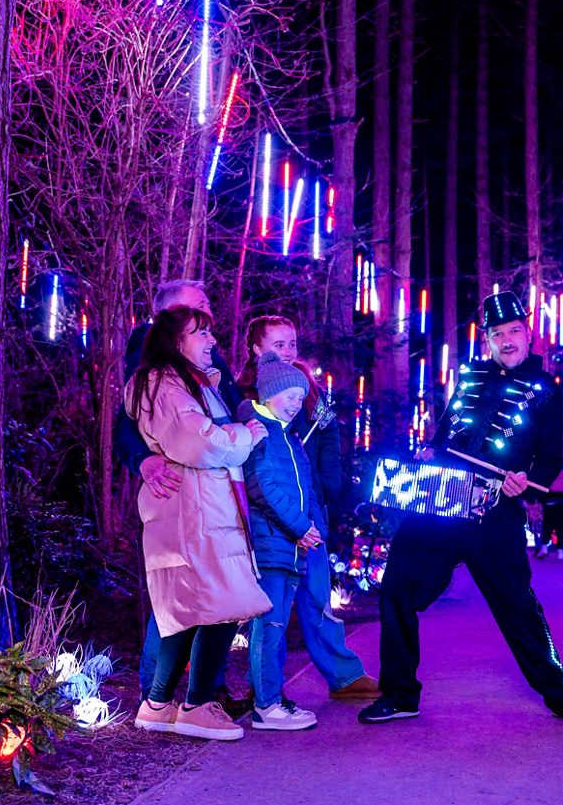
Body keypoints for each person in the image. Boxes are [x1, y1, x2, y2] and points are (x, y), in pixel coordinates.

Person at [359, 293, 563, 726]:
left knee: (517, 607)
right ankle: (399, 694)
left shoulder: (546, 389)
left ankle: (561, 696)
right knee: (397, 588)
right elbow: (444, 435)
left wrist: (526, 481)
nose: (507, 340)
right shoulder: (469, 376)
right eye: (497, 334)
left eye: (514, 331)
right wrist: (429, 453)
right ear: (487, 340)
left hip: (495, 509)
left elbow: (549, 461)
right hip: (438, 502)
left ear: (527, 333)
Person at [127, 307, 273, 741]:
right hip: (195, 509)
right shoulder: (166, 384)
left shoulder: (187, 382)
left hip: (202, 507)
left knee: (190, 608)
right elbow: (197, 441)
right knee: (222, 602)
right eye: (200, 333)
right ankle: (195, 706)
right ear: (176, 341)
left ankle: (158, 704)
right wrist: (246, 435)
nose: (212, 340)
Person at [119, 280, 246, 713]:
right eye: (199, 306)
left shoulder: (207, 355)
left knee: (215, 594)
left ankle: (205, 691)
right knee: (175, 595)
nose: (209, 314)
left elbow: (226, 404)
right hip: (181, 489)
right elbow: (130, 419)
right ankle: (155, 694)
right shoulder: (151, 355)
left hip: (218, 486)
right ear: (170, 316)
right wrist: (142, 459)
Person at [239, 353, 378, 731]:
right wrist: (300, 526)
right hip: (272, 545)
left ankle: (272, 699)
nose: (296, 404)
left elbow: (306, 489)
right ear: (268, 394)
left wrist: (312, 527)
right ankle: (266, 705)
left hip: (293, 546)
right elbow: (263, 487)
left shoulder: (288, 437)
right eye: (289, 396)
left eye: (301, 397)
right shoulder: (261, 435)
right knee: (269, 625)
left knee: (278, 623)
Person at [237, 315, 342, 510]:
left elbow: (329, 429)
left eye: (292, 344)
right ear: (257, 349)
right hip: (270, 501)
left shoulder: (310, 387)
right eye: (279, 345)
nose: (288, 352)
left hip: (312, 495)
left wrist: (328, 482)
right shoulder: (244, 392)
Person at [534, 460, 563, 559]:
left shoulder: (546, 464)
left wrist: (539, 498)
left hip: (549, 499)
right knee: (561, 525)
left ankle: (544, 547)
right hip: (562, 499)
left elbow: (541, 482)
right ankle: (560, 551)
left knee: (547, 523)